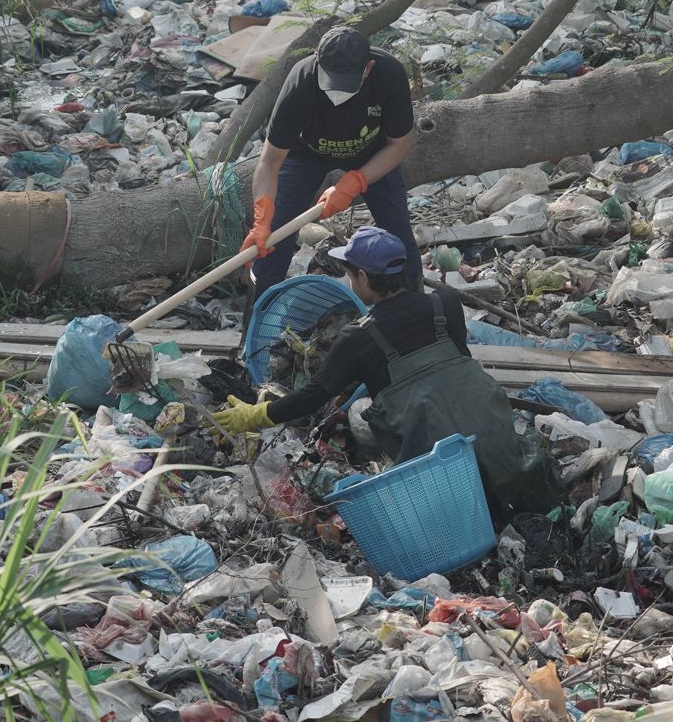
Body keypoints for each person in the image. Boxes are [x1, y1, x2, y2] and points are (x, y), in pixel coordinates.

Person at [211, 226, 563, 520]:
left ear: (362, 277)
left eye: (350, 273)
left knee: (368, 415)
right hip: (492, 428)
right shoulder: (446, 304)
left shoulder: (358, 336)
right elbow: (454, 365)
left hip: (439, 458)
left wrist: (258, 414)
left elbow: (314, 395)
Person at [241, 26, 422, 297]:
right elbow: (270, 161)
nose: (337, 92)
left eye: (346, 82)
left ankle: (413, 309)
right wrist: (262, 215)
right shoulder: (300, 82)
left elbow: (400, 144)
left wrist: (355, 181)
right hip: (306, 155)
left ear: (368, 68)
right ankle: (260, 321)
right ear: (318, 61)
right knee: (273, 237)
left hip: (372, 153)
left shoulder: (389, 75)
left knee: (397, 234)